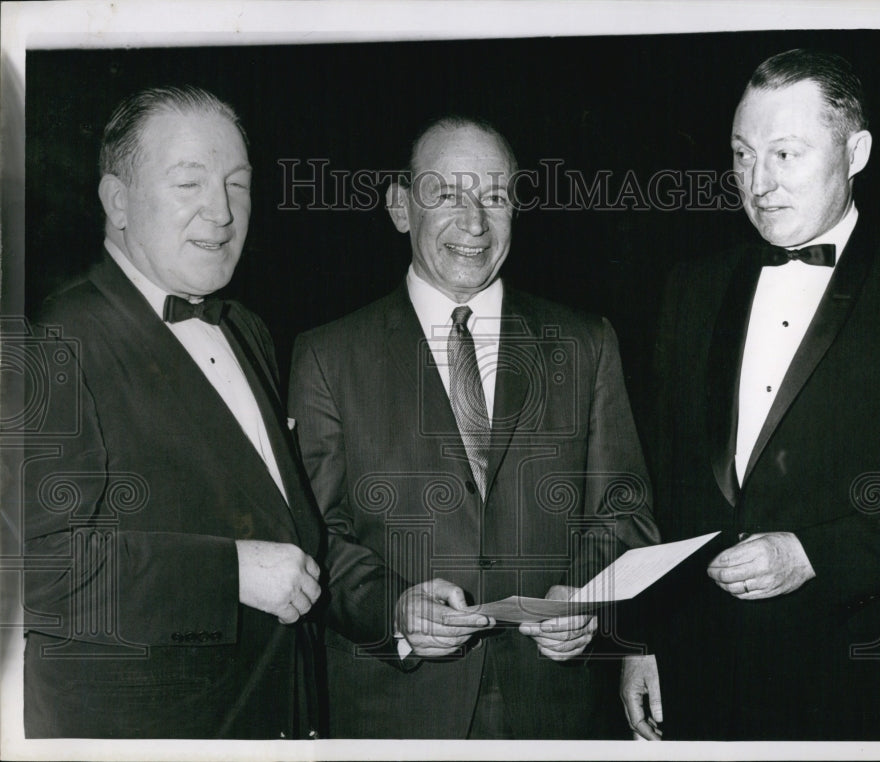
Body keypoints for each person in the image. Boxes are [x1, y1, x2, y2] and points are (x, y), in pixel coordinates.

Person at [621, 48, 880, 741]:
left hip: (864, 689)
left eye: (786, 154)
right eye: (743, 155)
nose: (759, 183)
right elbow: (659, 485)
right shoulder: (689, 289)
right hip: (704, 679)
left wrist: (816, 553)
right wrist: (642, 639)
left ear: (856, 151)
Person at [288, 115, 660, 739]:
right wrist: (395, 610)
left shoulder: (586, 341)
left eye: (494, 196)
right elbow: (314, 532)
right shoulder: (327, 354)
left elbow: (625, 514)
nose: (474, 222)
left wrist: (586, 599)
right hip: (395, 717)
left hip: (556, 712)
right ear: (401, 207)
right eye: (446, 194)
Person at [16, 86, 324, 738]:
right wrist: (230, 572)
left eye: (237, 185)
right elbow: (33, 571)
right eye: (189, 183)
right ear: (117, 202)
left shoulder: (249, 330)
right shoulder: (52, 339)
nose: (221, 213)